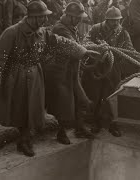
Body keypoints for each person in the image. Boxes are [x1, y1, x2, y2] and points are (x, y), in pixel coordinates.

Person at [0, 0, 100, 157]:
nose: (45, 20)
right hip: (16, 76)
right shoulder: (12, 32)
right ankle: (24, 139)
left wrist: (83, 51)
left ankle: (25, 139)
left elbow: (60, 42)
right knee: (20, 108)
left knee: (33, 108)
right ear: (32, 17)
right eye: (42, 17)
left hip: (35, 75)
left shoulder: (43, 33)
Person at [43, 2, 96, 145]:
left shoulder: (70, 27)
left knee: (80, 101)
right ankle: (61, 133)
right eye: (77, 17)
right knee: (63, 104)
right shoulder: (60, 28)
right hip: (59, 73)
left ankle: (79, 127)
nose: (80, 20)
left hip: (70, 71)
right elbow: (73, 46)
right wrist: (87, 50)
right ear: (70, 17)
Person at [82, 7, 137, 137]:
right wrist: (99, 47)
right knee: (94, 95)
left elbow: (130, 48)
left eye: (118, 20)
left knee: (112, 95)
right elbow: (85, 41)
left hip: (113, 69)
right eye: (113, 21)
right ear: (106, 20)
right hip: (96, 67)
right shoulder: (96, 28)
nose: (116, 23)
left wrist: (134, 56)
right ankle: (95, 121)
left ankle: (112, 123)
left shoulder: (123, 33)